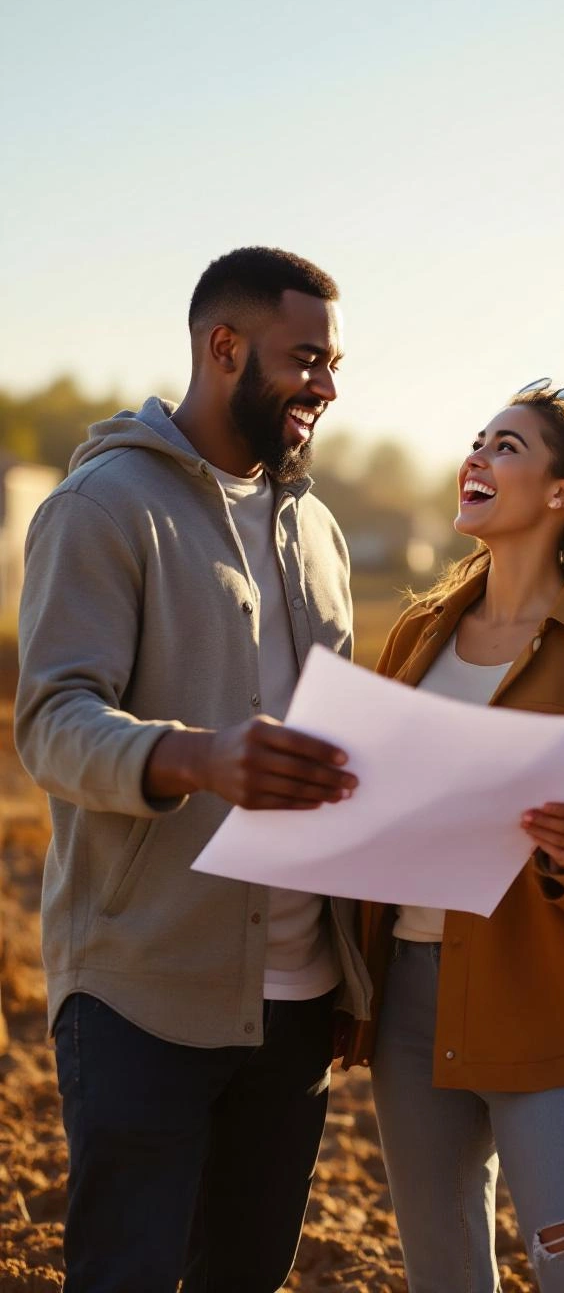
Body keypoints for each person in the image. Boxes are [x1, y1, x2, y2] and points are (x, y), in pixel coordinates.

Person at [14, 246, 372, 1293]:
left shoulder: (319, 530)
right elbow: (51, 721)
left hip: (299, 998)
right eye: (305, 359)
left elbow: (336, 746)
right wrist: (195, 758)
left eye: (335, 363)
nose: (327, 387)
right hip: (142, 990)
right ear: (224, 348)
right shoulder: (102, 506)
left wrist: (348, 957)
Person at [344, 379, 564, 1293]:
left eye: (506, 447)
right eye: (477, 441)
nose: (477, 457)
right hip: (409, 1002)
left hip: (545, 997)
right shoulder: (421, 631)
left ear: (562, 492)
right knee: (443, 1276)